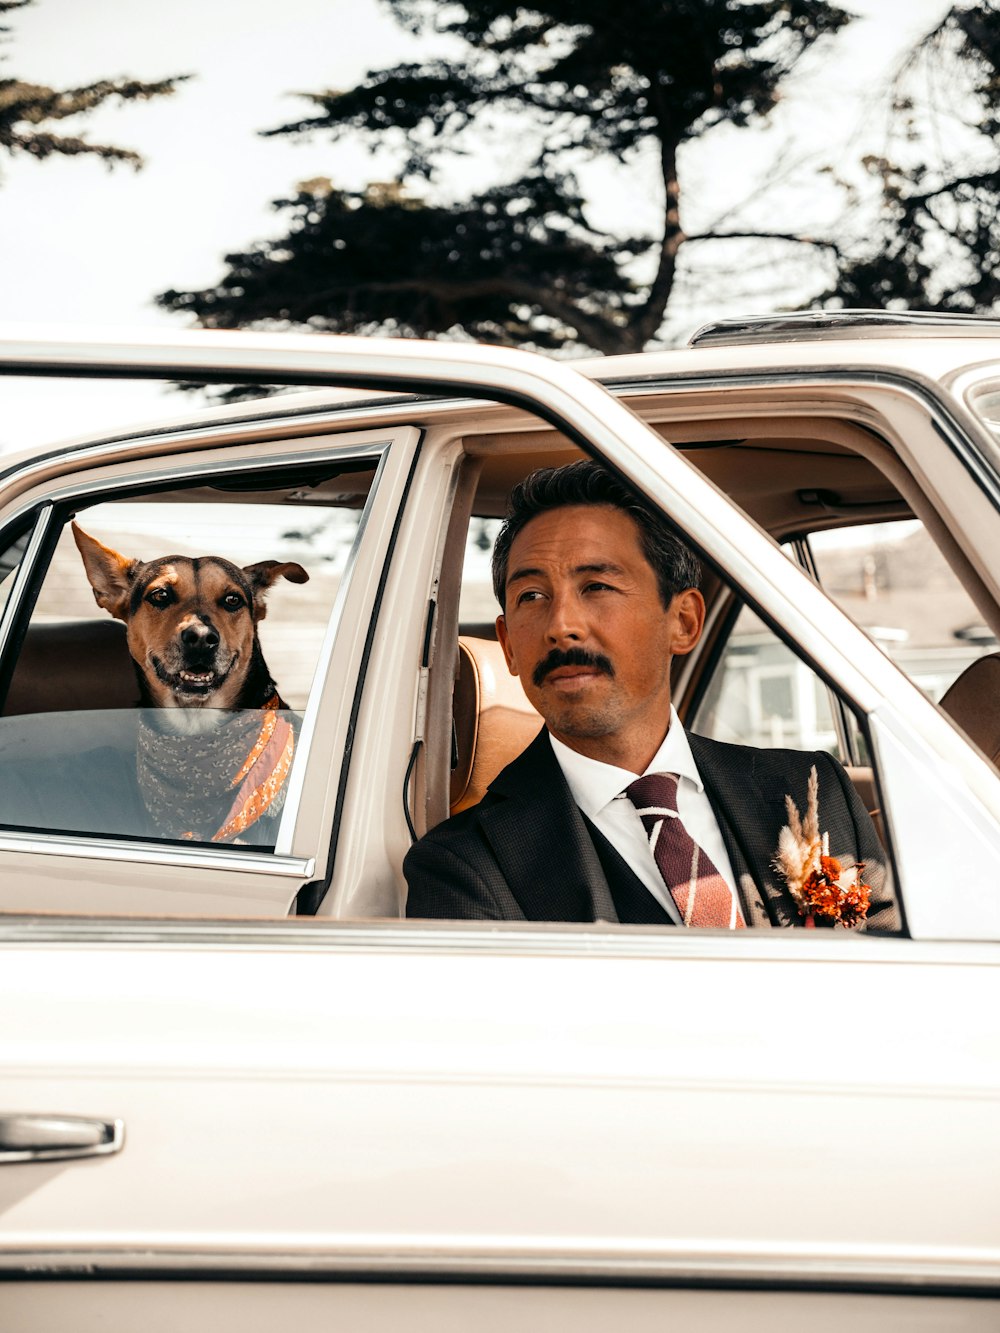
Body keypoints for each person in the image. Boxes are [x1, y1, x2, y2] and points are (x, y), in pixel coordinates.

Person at [404, 461, 898, 931]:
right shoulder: (463, 865)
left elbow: (896, 981)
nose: (561, 626)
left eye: (596, 585)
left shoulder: (810, 786)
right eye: (531, 596)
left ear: (682, 622)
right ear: (509, 646)